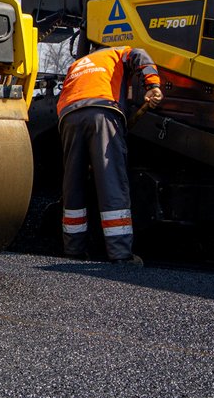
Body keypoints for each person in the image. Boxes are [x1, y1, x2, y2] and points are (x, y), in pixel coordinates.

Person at [56, 46, 164, 264]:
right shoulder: (119, 52)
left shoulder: (78, 64)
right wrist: (152, 85)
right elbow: (140, 56)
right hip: (102, 110)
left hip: (68, 116)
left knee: (73, 184)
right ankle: (120, 254)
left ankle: (74, 250)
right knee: (111, 180)